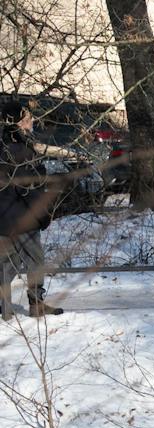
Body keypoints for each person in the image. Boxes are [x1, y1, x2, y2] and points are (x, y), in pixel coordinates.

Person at [0, 100, 61, 317]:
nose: (31, 121)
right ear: (17, 123)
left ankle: (6, 311)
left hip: (3, 219)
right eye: (27, 118)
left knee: (7, 265)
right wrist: (42, 216)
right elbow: (29, 189)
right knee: (35, 262)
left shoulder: (3, 146)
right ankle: (36, 305)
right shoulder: (21, 150)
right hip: (22, 217)